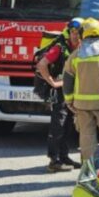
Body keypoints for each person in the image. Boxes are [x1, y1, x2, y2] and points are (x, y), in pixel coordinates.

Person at [64, 18, 99, 162]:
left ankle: (88, 171)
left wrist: (69, 100)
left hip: (81, 106)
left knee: (86, 137)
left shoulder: (75, 56)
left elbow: (67, 80)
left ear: (83, 33)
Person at [35, 18, 82, 172]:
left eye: (78, 33)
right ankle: (54, 160)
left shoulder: (80, 47)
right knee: (58, 125)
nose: (75, 36)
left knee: (67, 124)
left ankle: (64, 157)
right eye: (73, 32)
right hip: (59, 91)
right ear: (68, 32)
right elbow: (42, 65)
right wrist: (53, 83)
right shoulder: (59, 48)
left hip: (70, 90)